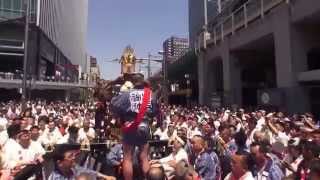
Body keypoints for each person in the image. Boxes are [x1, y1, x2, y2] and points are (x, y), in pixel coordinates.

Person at [110, 73, 158, 180]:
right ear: (143, 81)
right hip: (144, 125)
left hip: (130, 124)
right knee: (144, 156)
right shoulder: (150, 94)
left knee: (128, 157)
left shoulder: (127, 94)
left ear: (132, 82)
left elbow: (114, 106)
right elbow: (154, 111)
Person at [48, 144, 115, 180]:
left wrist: (105, 176)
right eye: (70, 156)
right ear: (60, 163)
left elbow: (87, 171)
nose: (74, 158)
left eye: (73, 155)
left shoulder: (73, 168)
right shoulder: (55, 177)